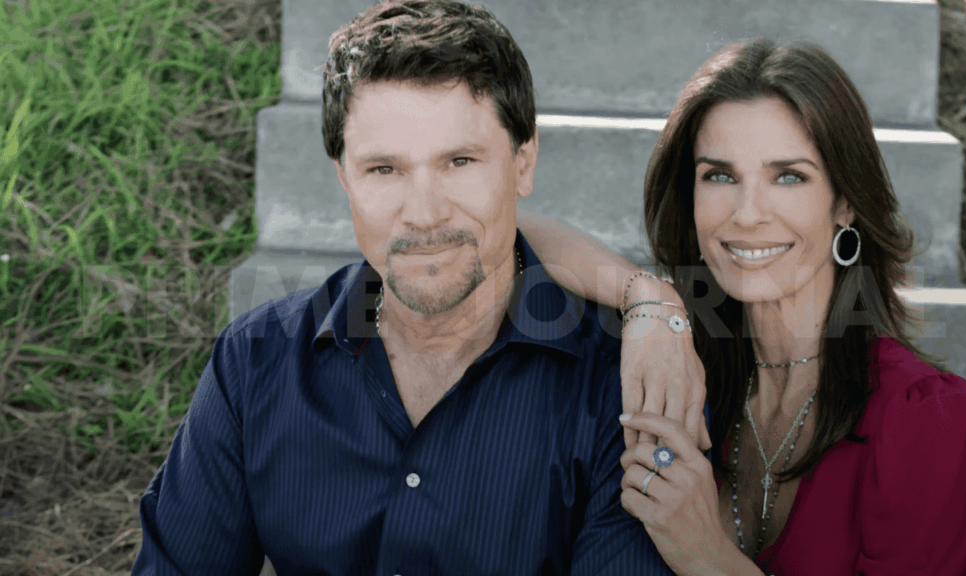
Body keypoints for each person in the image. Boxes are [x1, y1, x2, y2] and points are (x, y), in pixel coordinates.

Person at [130, 1, 710, 574]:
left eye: (460, 161)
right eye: (384, 169)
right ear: (344, 178)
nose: (425, 214)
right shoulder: (255, 361)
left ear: (523, 161)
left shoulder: (621, 385)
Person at [519, 37, 966, 574]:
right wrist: (649, 298)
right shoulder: (681, 370)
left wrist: (708, 555)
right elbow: (497, 227)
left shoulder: (925, 419)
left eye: (788, 176)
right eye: (719, 175)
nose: (747, 214)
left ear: (845, 202)